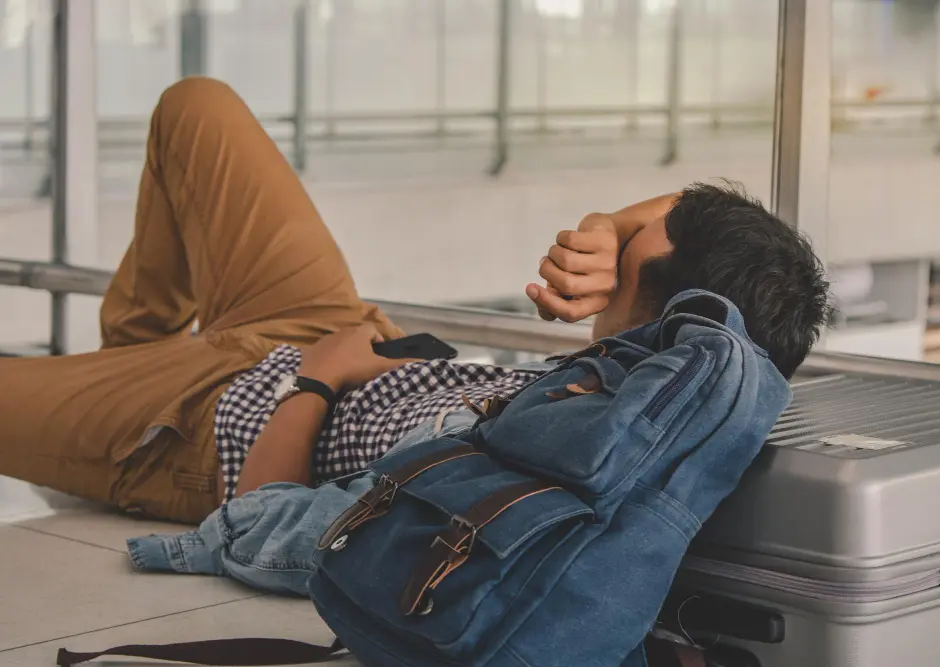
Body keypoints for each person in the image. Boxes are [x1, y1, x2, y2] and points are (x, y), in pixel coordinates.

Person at [0, 77, 831, 526]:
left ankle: (103, 418)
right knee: (197, 109)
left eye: (629, 255)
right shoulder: (647, 378)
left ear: (667, 323)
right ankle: (112, 375)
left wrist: (317, 382)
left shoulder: (545, 457)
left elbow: (258, 526)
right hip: (326, 327)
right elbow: (679, 208)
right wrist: (611, 226)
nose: (611, 253)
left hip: (209, 425)